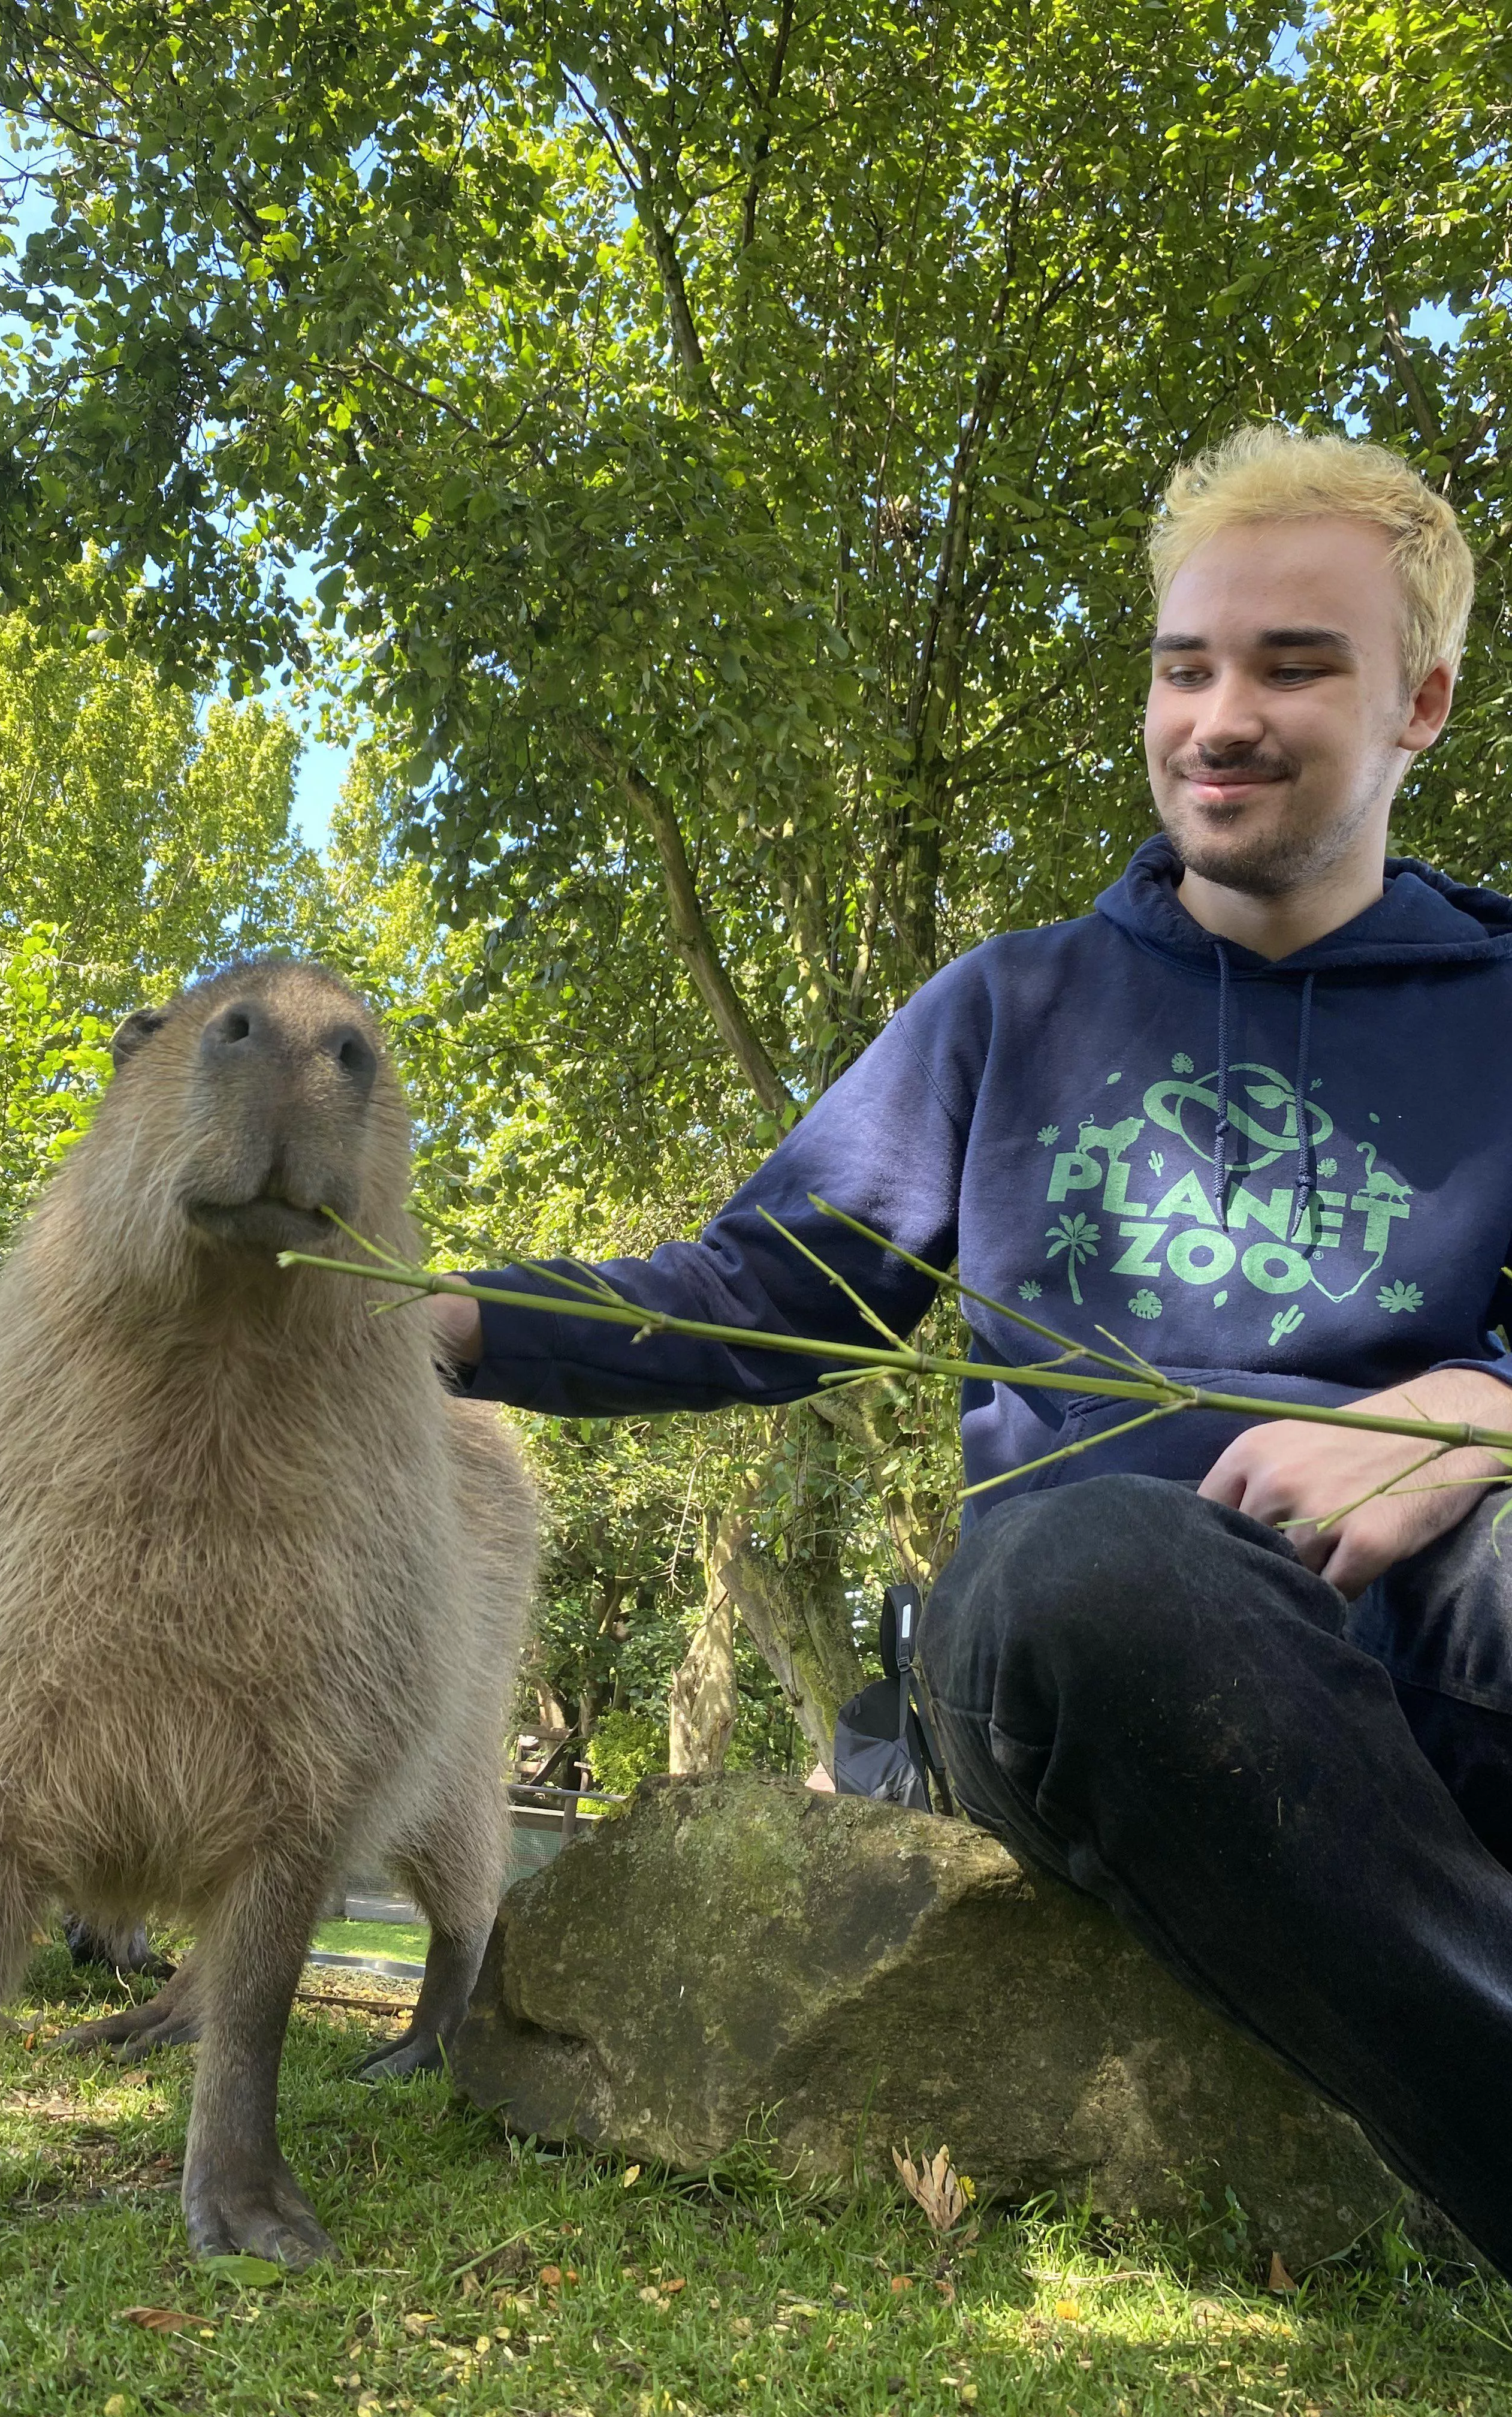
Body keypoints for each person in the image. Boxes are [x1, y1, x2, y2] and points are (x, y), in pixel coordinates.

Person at [433, 423, 1512, 2271]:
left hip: (1441, 1620)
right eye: (1186, 666)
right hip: (1100, 1655)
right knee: (1097, 1568)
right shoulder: (1013, 1005)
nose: (1219, 716)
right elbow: (763, 1294)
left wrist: (1472, 1407)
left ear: (1419, 702)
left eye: (1293, 664)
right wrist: (442, 1320)